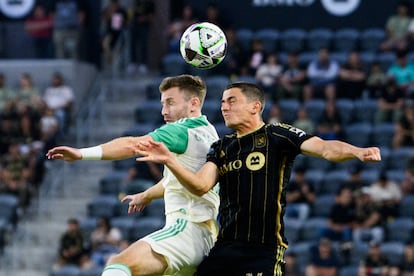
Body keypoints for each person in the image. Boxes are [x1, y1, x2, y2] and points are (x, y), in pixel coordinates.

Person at [134, 81, 381, 275]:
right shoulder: (222, 147)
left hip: (263, 250)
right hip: (225, 248)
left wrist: (357, 152)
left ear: (255, 106)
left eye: (231, 101)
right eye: (222, 102)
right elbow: (200, 186)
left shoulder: (278, 135)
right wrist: (170, 161)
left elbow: (325, 148)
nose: (224, 107)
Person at [46, 75, 220, 276]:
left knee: (118, 263)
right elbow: (180, 180)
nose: (164, 111)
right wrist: (146, 195)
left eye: (170, 103)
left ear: (194, 103)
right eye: (163, 104)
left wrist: (81, 154)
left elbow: (132, 145)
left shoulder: (180, 130)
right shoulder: (210, 132)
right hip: (204, 236)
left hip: (187, 229)